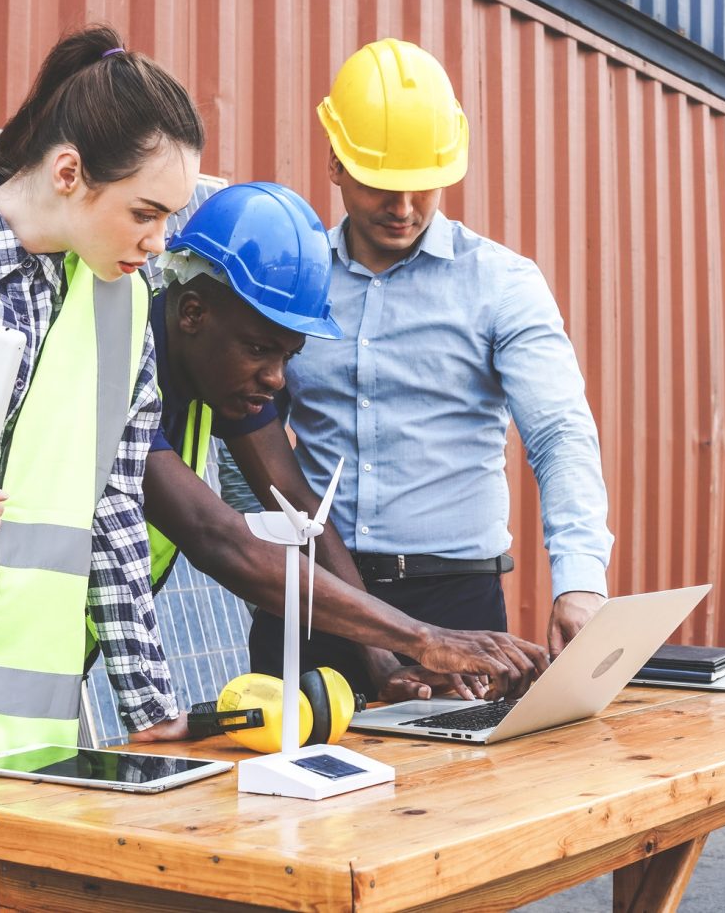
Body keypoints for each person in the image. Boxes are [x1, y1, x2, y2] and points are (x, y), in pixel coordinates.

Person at [242, 38, 614, 698]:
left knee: (453, 799)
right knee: (283, 796)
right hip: (314, 600)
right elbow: (246, 432)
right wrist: (263, 565)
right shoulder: (293, 280)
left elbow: (559, 435)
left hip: (456, 605)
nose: (405, 207)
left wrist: (580, 579)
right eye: (382, 185)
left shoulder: (503, 285)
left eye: (424, 185)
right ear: (336, 162)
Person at [0, 24, 203, 911]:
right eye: (145, 212)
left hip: (13, 771)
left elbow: (117, 517)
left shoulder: (128, 319)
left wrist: (148, 705)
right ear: (67, 174)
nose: (158, 242)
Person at [136, 181, 549, 705]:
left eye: (289, 356)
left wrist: (380, 664)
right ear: (193, 313)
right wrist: (424, 639)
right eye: (261, 350)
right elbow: (218, 538)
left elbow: (297, 504)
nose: (276, 379)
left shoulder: (223, 372)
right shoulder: (123, 366)